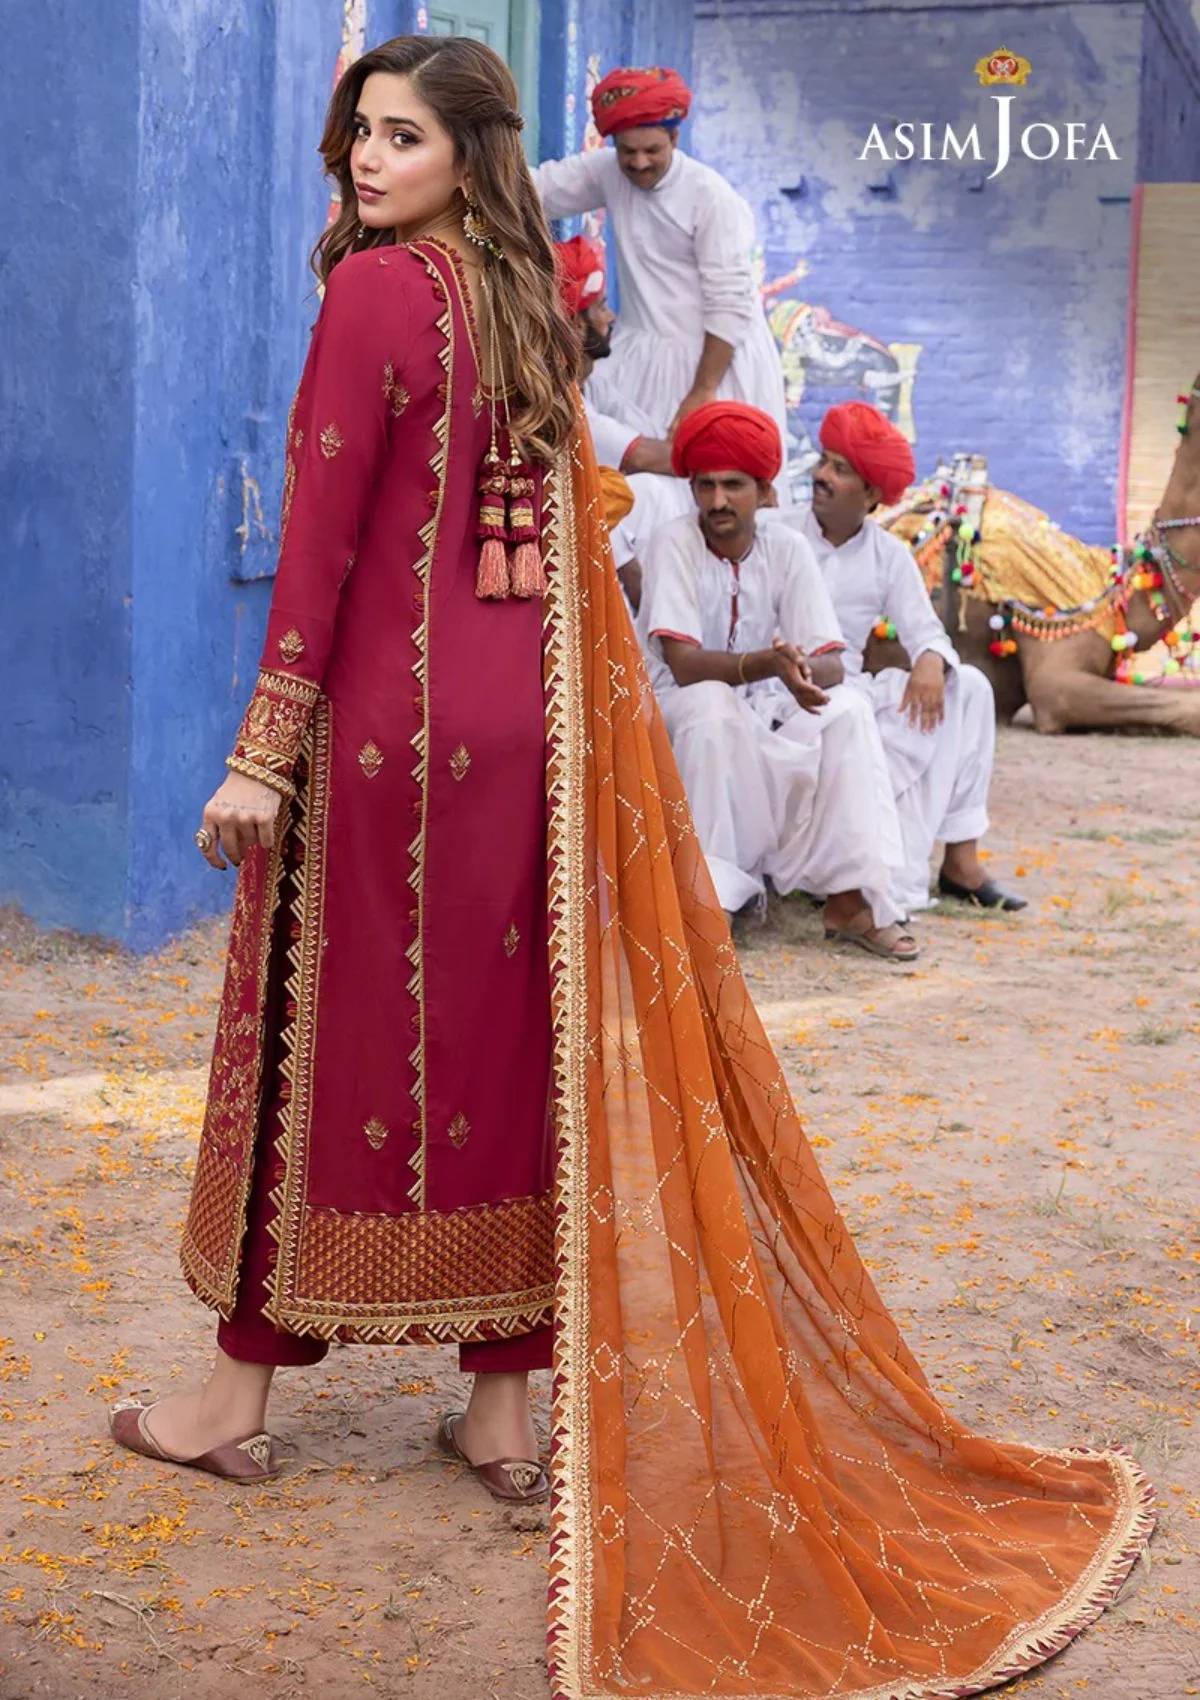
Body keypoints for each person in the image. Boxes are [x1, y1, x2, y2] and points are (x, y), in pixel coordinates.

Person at [110, 35, 1149, 1700]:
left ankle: (233, 1395)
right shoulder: (528, 300)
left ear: (468, 152)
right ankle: (501, 1410)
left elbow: (323, 535)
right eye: (358, 133)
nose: (367, 161)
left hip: (388, 731)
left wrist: (262, 746)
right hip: (530, 723)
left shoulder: (377, 292)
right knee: (516, 1045)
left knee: (319, 1041)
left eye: (401, 137)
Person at [638, 401, 916, 960]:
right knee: (712, 704)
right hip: (676, 716)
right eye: (706, 486)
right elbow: (683, 664)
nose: (718, 501)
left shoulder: (787, 549)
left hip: (761, 708)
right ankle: (709, 903)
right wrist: (768, 663)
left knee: (848, 709)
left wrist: (797, 670)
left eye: (733, 486)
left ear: (765, 493)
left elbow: (832, 659)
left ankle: (850, 901)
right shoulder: (673, 541)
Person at [781, 401, 1027, 915]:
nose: (821, 475)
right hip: (781, 692)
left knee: (970, 688)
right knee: (858, 714)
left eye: (839, 469)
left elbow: (926, 632)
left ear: (872, 494)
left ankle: (961, 862)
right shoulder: (779, 532)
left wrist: (931, 660)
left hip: (849, 690)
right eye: (823, 461)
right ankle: (847, 872)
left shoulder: (887, 554)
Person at [532, 67, 790, 478]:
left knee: (714, 477)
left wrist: (702, 392)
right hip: (644, 353)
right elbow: (537, 190)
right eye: (627, 151)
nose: (639, 163)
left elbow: (729, 306)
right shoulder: (609, 172)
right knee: (643, 481)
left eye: (651, 150)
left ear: (674, 138)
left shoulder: (710, 197)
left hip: (713, 360)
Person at [556, 232, 691, 610]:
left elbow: (648, 436)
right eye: (600, 307)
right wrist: (735, 465)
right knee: (653, 490)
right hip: (567, 545)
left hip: (597, 544)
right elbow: (651, 456)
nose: (610, 317)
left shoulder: (594, 384)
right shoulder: (561, 400)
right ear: (575, 325)